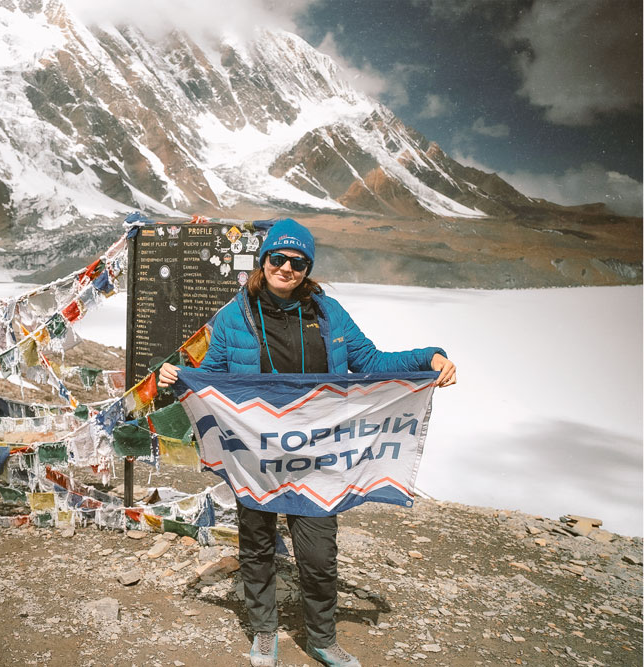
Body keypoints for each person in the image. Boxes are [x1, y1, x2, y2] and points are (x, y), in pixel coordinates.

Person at [158, 218, 456, 667]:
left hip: (318, 457)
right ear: (264, 261)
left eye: (298, 262)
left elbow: (370, 361)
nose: (287, 268)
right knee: (256, 547)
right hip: (256, 453)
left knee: (318, 554)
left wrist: (427, 357)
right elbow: (213, 375)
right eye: (278, 258)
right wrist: (177, 378)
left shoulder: (328, 313)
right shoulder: (234, 316)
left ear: (307, 268)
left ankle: (322, 637)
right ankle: (263, 632)